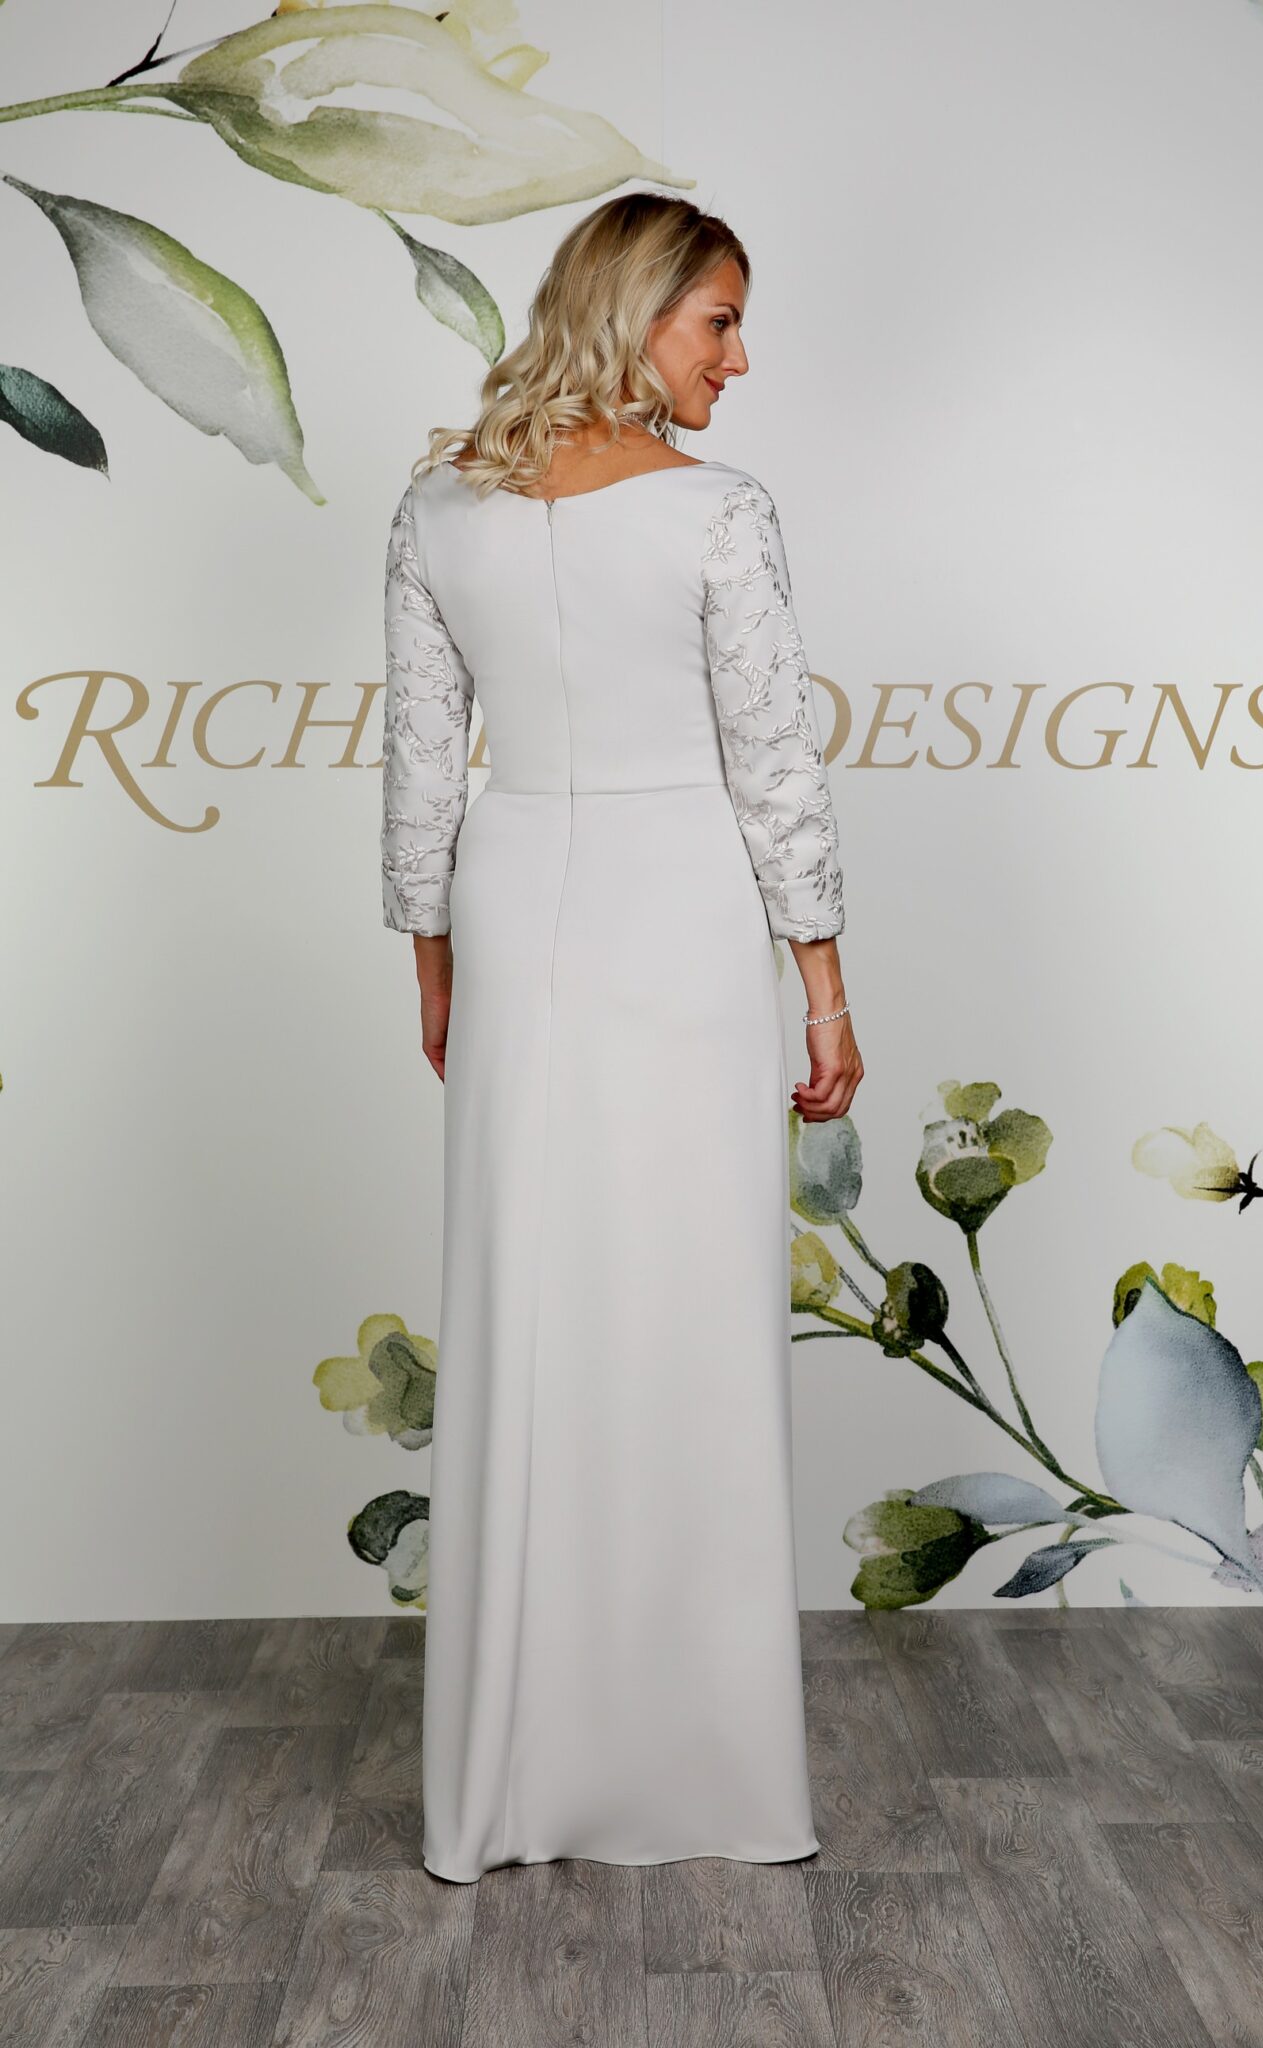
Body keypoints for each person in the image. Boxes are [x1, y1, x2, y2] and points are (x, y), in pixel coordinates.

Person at [380, 191, 863, 1884]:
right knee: (688, 1311)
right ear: (635, 312)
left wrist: (433, 958)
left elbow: (423, 764)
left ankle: (507, 1783)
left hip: (516, 903)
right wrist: (823, 984)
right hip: (680, 908)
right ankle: (707, 1774)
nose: (740, 355)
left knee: (529, 1307)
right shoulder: (717, 514)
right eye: (717, 320)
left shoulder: (437, 506)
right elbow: (772, 767)